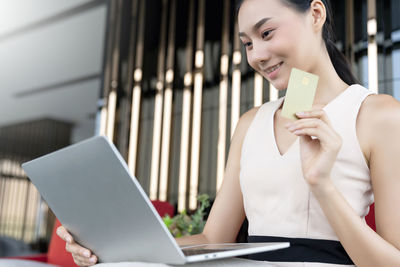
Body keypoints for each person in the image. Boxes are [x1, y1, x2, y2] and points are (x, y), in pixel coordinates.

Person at [57, 0, 400, 266]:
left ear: (315, 14)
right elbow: (213, 237)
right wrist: (110, 248)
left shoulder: (378, 115)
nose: (257, 55)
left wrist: (322, 185)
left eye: (266, 34)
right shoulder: (251, 122)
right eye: (247, 43)